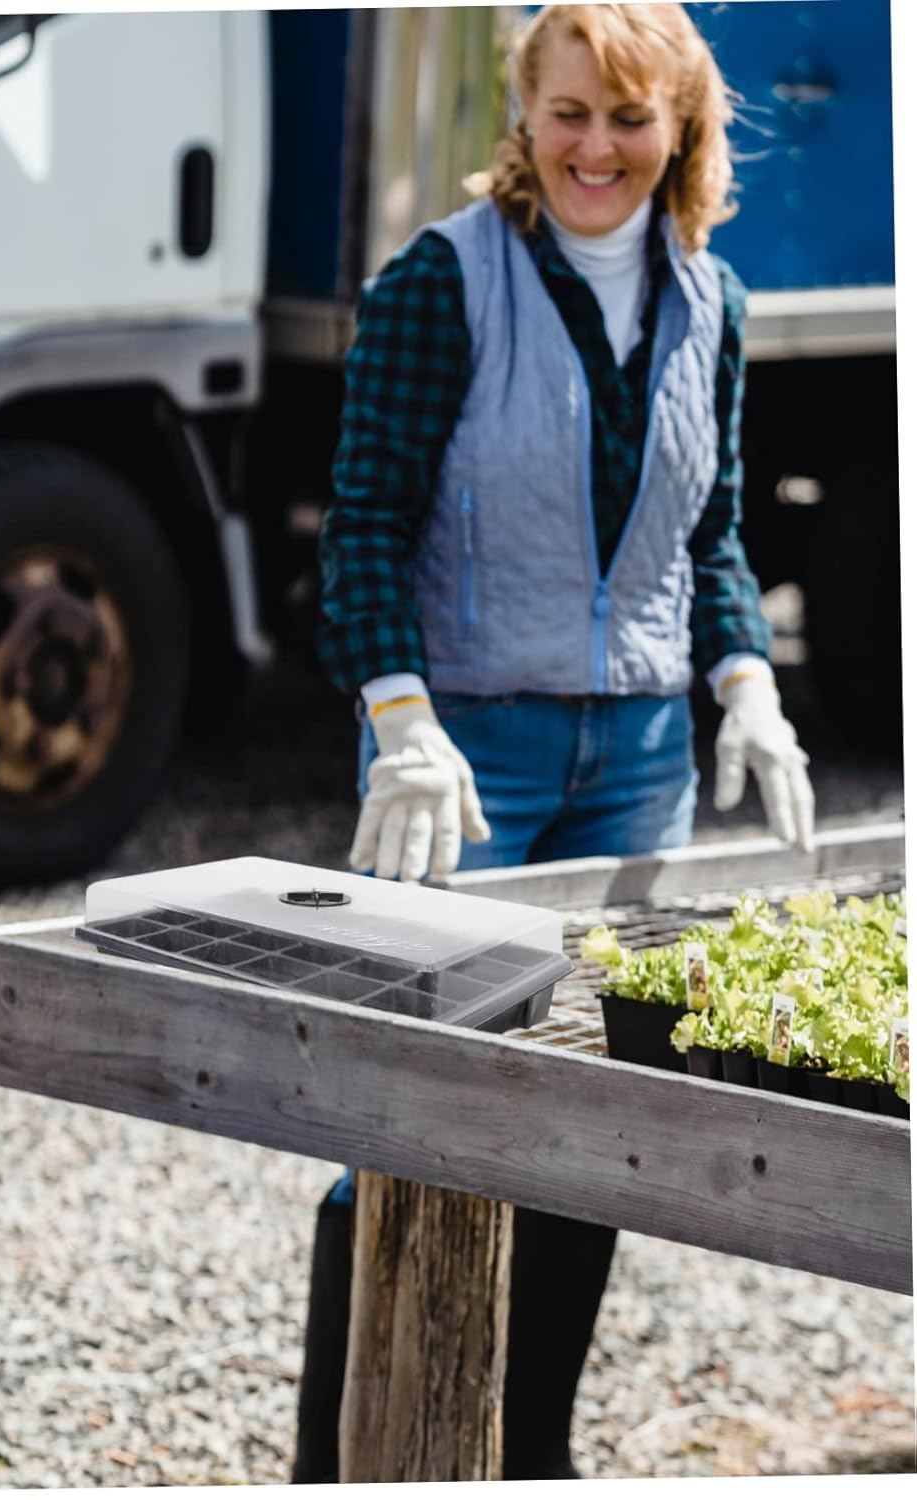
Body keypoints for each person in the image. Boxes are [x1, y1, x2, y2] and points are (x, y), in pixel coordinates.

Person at [297, 4, 815, 1482]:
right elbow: (367, 533)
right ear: (523, 118)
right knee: (403, 1120)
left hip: (639, 765)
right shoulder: (438, 284)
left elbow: (708, 540)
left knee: (591, 1133)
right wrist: (397, 715)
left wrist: (744, 684)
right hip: (463, 764)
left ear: (683, 132)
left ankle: (533, 1460)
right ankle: (346, 1465)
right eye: (571, 113)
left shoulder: (712, 300)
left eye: (632, 117)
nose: (599, 148)